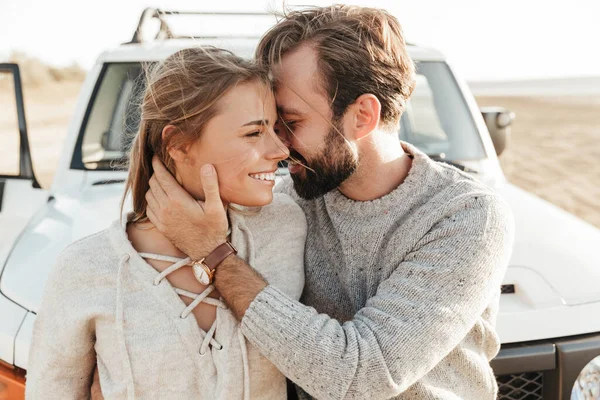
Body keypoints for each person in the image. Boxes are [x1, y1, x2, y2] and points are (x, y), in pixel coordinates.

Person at [144, 5, 515, 400]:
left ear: (362, 116)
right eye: (265, 125)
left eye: (291, 122)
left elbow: (361, 376)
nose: (277, 147)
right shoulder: (282, 203)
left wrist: (214, 254)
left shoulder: (466, 216)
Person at [25, 47, 306, 399]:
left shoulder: (286, 227)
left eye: (278, 130)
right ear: (178, 143)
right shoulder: (86, 266)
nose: (280, 150)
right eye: (253, 134)